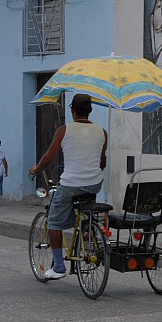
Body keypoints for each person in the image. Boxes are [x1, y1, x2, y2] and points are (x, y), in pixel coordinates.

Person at [29, 93, 108, 280]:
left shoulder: (64, 130)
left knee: (54, 222)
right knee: (85, 209)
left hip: (71, 185)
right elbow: (102, 163)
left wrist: (36, 169)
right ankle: (87, 231)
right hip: (94, 184)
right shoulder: (102, 131)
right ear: (89, 111)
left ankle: (58, 267)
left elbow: (48, 157)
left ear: (72, 111)